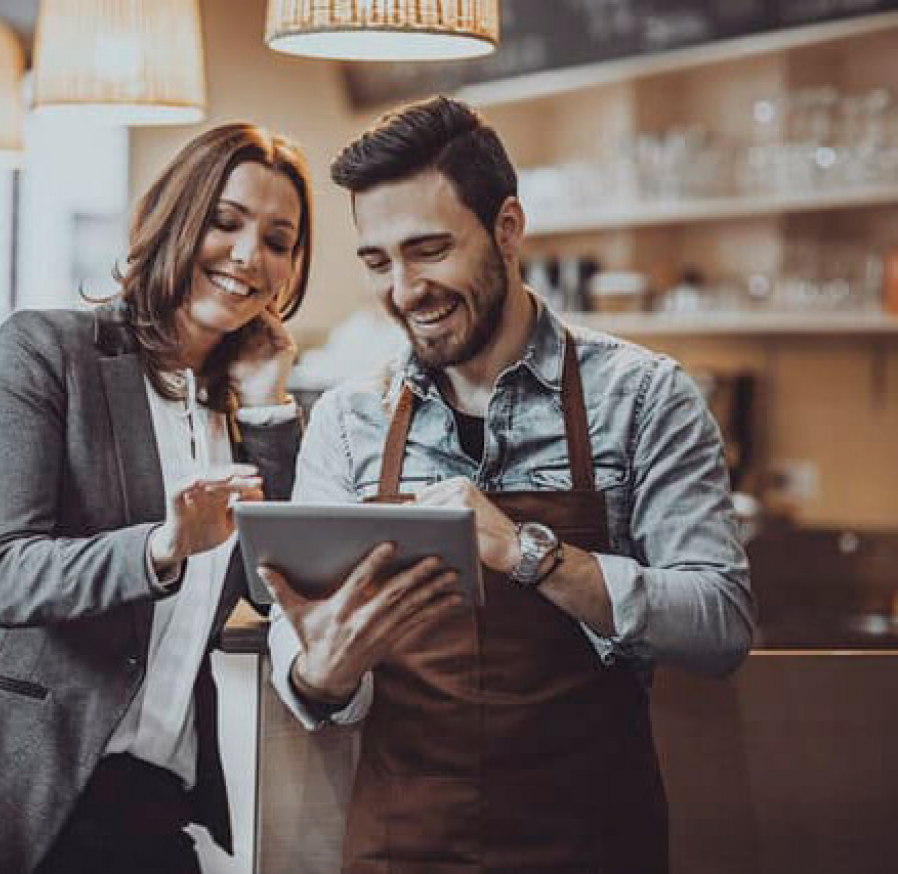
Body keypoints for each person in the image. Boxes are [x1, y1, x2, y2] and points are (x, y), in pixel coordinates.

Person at [260, 95, 756, 873]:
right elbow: (308, 654)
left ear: (508, 228)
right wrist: (317, 673)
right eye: (378, 261)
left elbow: (719, 625)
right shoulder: (348, 421)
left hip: (590, 842)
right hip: (402, 845)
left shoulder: (644, 397)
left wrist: (529, 553)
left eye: (429, 250)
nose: (404, 289)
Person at [0, 123, 313, 874]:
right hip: (7, 798)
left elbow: (280, 590)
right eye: (227, 221)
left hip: (152, 805)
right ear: (177, 217)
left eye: (279, 239)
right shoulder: (49, 351)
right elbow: (3, 574)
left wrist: (268, 406)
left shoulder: (248, 411)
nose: (250, 256)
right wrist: (160, 547)